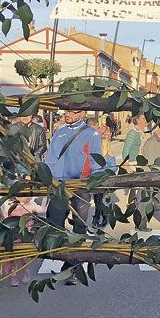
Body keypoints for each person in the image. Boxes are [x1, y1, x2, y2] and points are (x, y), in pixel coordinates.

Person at [45, 107, 105, 285]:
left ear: (82, 114)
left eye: (72, 112)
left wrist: (95, 181)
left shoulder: (91, 134)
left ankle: (72, 269)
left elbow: (96, 160)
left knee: (79, 228)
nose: (68, 115)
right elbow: (51, 158)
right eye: (67, 112)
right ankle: (64, 257)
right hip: (60, 186)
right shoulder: (59, 133)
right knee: (56, 225)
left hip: (81, 186)